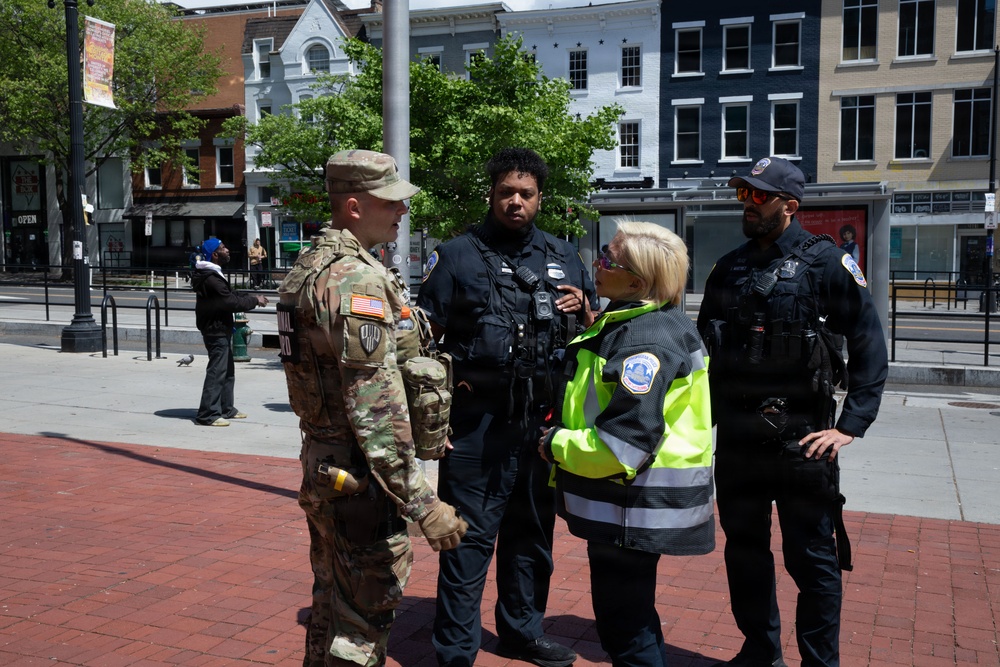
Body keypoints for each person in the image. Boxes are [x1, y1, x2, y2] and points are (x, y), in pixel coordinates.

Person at [277, 149, 467, 667]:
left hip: (329, 465)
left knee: (332, 604)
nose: (402, 211)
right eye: (392, 202)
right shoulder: (355, 279)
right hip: (362, 481)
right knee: (363, 619)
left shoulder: (314, 265)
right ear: (356, 206)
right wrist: (424, 505)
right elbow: (375, 409)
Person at [697, 156, 888, 667]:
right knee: (744, 554)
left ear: (790, 205)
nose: (747, 203)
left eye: (758, 196)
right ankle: (759, 652)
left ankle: (818, 662)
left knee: (813, 560)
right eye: (743, 194)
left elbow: (868, 342)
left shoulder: (827, 263)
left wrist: (851, 425)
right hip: (737, 440)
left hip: (803, 439)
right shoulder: (728, 267)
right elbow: (702, 351)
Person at [416, 147, 596, 667]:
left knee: (532, 537)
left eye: (526, 193)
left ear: (540, 198)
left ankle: (521, 631)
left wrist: (585, 311)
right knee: (466, 541)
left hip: (541, 425)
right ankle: (455, 649)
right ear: (491, 194)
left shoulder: (565, 256)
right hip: (476, 423)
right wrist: (431, 419)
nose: (515, 201)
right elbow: (422, 342)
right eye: (506, 192)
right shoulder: (456, 255)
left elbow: (592, 334)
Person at [538, 221, 715, 667]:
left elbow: (624, 445)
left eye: (606, 260)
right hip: (631, 505)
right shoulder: (647, 323)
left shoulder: (644, 339)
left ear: (637, 282)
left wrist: (556, 444)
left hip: (630, 508)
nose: (596, 265)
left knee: (625, 630)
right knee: (636, 618)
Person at [192, 238, 268, 427]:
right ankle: (208, 414)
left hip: (220, 327)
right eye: (223, 248)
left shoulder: (214, 274)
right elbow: (230, 302)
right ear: (215, 255)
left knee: (227, 371)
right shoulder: (210, 278)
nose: (228, 250)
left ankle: (226, 408)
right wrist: (255, 301)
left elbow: (231, 295)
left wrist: (251, 297)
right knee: (217, 371)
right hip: (215, 329)